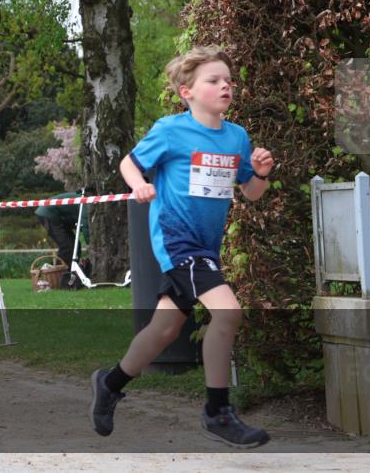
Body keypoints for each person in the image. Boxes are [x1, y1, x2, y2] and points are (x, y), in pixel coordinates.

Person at [90, 45, 274, 449]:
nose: (225, 85)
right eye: (214, 80)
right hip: (178, 241)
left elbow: (252, 193)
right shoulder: (170, 131)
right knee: (228, 313)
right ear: (186, 91)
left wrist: (260, 173)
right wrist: (139, 185)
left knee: (165, 328)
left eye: (228, 79)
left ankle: (110, 383)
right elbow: (129, 162)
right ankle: (217, 412)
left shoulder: (236, 137)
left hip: (207, 247)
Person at [35, 189, 91, 289]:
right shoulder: (86, 203)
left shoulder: (87, 200)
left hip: (58, 217)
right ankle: (61, 277)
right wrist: (90, 242)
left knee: (75, 246)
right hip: (49, 214)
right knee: (67, 245)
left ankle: (70, 274)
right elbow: (85, 224)